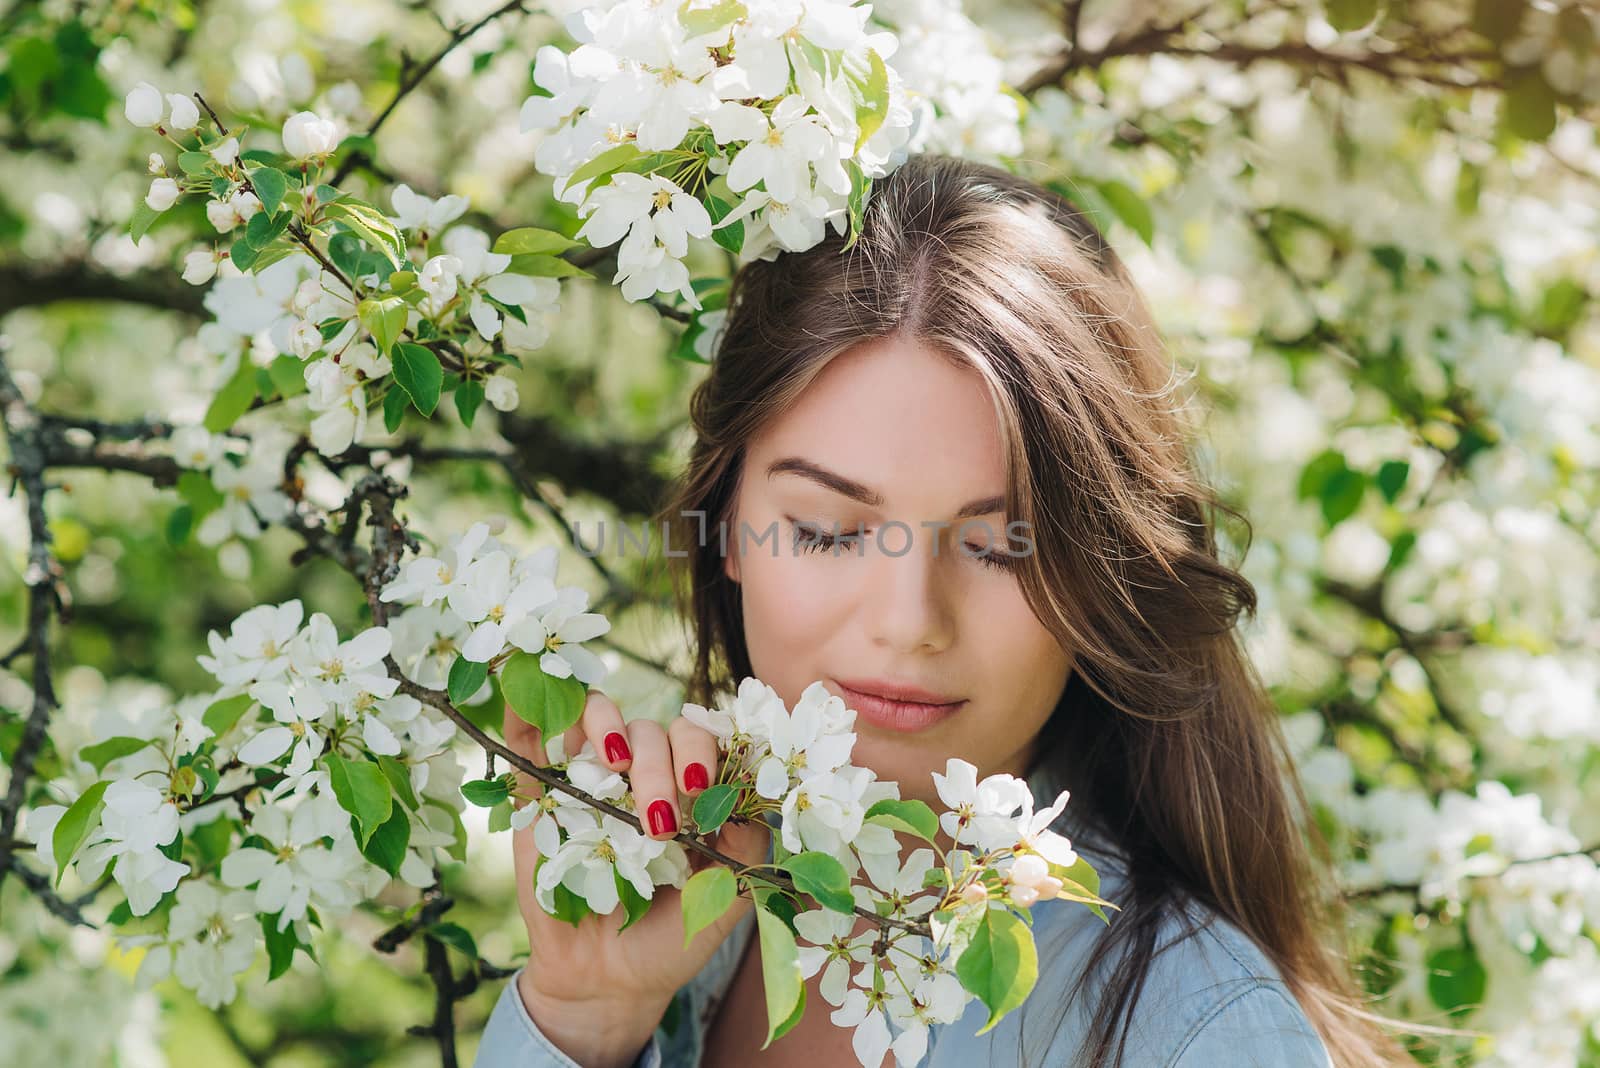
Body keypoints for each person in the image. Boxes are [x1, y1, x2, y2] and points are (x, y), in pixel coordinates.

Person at [471, 153, 1411, 1067]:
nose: (910, 621)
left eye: (1004, 545)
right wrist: (584, 1023)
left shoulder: (1189, 1031)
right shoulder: (674, 917)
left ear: (1105, 573)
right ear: (727, 532)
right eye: (831, 531)